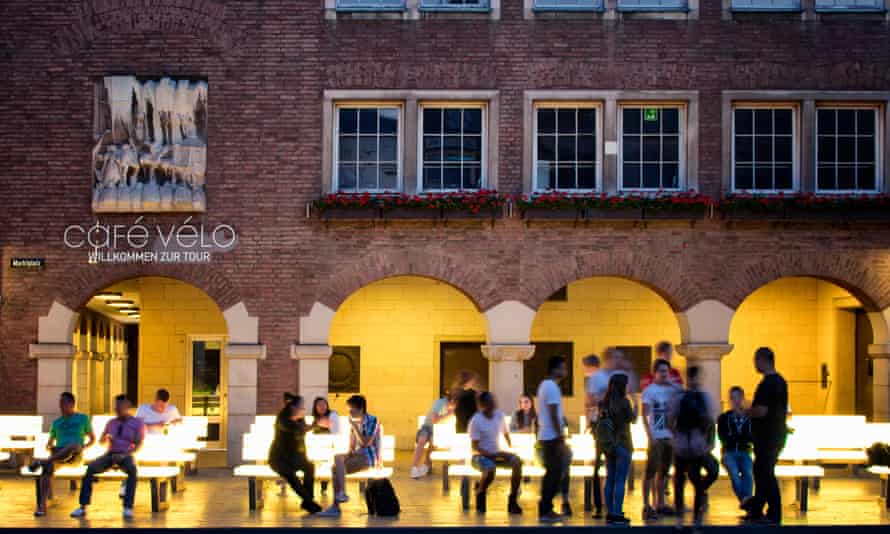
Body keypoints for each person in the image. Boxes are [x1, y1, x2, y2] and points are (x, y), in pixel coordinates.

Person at [71, 394, 145, 519]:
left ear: (127, 407)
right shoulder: (111, 423)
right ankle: (83, 506)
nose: (117, 409)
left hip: (126, 454)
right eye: (116, 407)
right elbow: (101, 441)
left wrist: (126, 455)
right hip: (110, 454)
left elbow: (139, 444)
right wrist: (105, 438)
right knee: (90, 468)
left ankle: (128, 506)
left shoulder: (137, 423)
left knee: (132, 470)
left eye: (120, 406)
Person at [741, 347, 789, 525]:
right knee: (761, 471)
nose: (754, 364)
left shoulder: (768, 384)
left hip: (768, 435)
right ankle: (756, 509)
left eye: (756, 360)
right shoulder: (781, 382)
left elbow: (761, 411)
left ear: (763, 360)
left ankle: (774, 513)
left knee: (765, 473)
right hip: (775, 434)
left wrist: (745, 411)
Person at [29, 392, 96, 517]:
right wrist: (50, 447)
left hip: (75, 455)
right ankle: (42, 506)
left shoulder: (83, 418)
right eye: (60, 403)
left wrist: (83, 447)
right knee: (47, 468)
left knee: (73, 444)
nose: (60, 406)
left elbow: (92, 439)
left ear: (72, 404)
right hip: (59, 456)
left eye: (63, 403)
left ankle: (42, 462)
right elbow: (49, 443)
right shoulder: (56, 423)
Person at [671, 366, 719, 528]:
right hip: (695, 443)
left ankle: (681, 518)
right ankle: (695, 519)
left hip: (684, 443)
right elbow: (709, 421)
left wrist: (675, 438)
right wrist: (707, 442)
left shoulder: (680, 397)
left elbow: (671, 419)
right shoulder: (703, 398)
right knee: (695, 480)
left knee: (680, 480)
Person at [318, 395, 381, 518]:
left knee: (336, 468)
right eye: (348, 410)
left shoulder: (372, 420)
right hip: (357, 456)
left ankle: (337, 504)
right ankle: (341, 495)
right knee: (336, 462)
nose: (349, 412)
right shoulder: (354, 422)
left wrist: (354, 427)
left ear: (361, 408)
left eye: (352, 409)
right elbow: (352, 446)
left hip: (368, 458)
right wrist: (347, 454)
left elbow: (365, 443)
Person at [640, 359, 682, 520]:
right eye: (661, 371)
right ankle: (647, 505)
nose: (664, 374)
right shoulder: (650, 391)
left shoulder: (674, 390)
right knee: (650, 471)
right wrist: (650, 436)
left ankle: (660, 503)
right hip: (656, 435)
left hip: (669, 435)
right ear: (655, 373)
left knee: (664, 472)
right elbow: (644, 414)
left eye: (666, 371)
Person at [469, 392, 523, 514]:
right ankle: (481, 492)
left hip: (496, 454)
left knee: (516, 462)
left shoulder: (499, 415)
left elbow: (505, 433)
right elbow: (474, 447)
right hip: (480, 456)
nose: (492, 404)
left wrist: (508, 450)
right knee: (489, 468)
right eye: (489, 402)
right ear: (483, 405)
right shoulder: (476, 420)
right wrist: (490, 454)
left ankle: (513, 500)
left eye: (493, 401)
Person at [269, 395, 322, 514]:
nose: (303, 410)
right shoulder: (282, 419)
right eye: (301, 407)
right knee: (292, 477)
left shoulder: (299, 419)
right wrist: (313, 425)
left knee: (309, 467)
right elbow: (299, 429)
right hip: (279, 459)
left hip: (294, 457)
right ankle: (309, 501)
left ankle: (307, 502)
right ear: (293, 408)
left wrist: (314, 425)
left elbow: (302, 438)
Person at [597, 373, 635, 525]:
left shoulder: (604, 403)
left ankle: (610, 512)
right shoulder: (624, 402)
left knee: (610, 478)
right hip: (623, 444)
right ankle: (618, 512)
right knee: (620, 480)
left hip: (608, 445)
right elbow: (632, 419)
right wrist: (635, 403)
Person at [537, 356, 570, 523]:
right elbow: (553, 413)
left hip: (548, 436)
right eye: (563, 368)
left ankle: (546, 507)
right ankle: (545, 509)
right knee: (553, 473)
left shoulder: (547, 385)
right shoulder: (551, 387)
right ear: (555, 369)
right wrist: (560, 437)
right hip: (551, 437)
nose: (565, 371)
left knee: (554, 472)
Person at [718, 386, 754, 504]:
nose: (735, 401)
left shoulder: (749, 418)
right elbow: (723, 437)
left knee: (748, 473)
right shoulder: (724, 418)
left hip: (745, 451)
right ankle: (745, 500)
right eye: (732, 398)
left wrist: (736, 438)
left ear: (742, 399)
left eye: (737, 398)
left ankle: (746, 501)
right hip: (729, 452)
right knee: (734, 474)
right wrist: (739, 438)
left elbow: (751, 437)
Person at [412, 392, 454, 478]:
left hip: (443, 431)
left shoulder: (456, 407)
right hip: (428, 427)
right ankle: (415, 468)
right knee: (422, 439)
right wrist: (448, 414)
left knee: (434, 440)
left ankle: (427, 464)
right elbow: (434, 420)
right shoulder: (440, 403)